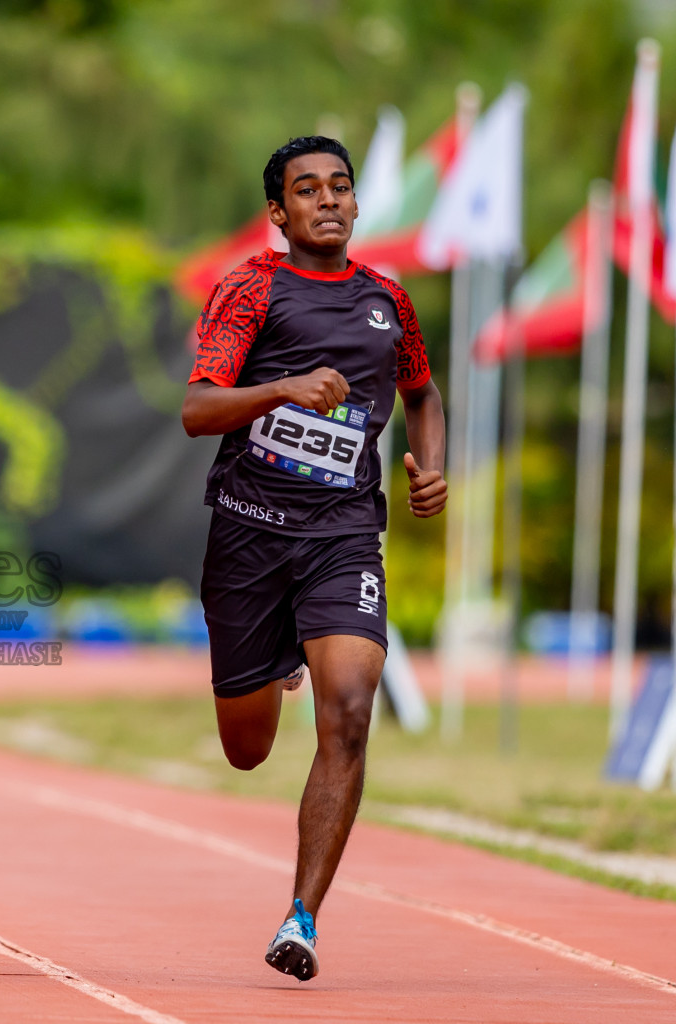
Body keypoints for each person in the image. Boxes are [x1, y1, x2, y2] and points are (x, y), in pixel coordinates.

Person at [180, 136, 447, 982]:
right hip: (251, 535)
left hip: (343, 536)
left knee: (351, 711)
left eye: (340, 186)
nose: (327, 200)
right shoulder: (251, 289)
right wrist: (282, 389)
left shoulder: (387, 301)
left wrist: (430, 465)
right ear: (279, 212)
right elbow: (197, 410)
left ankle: (301, 920)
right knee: (248, 749)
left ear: (357, 205)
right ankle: (276, 657)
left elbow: (422, 391)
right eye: (307, 189)